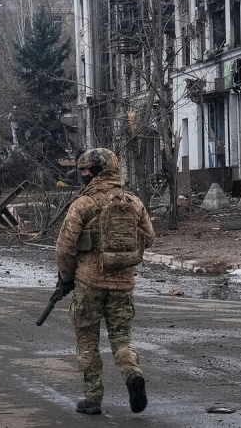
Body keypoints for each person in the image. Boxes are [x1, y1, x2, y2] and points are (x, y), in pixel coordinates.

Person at [55, 147, 156, 415]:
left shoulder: (83, 203)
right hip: (123, 283)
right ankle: (133, 374)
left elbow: (65, 247)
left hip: (89, 284)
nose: (81, 175)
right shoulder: (133, 201)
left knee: (87, 339)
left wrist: (65, 279)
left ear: (90, 172)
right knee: (122, 337)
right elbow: (149, 236)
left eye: (83, 171)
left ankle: (93, 398)